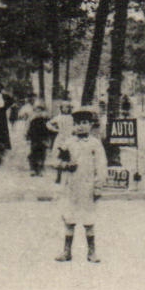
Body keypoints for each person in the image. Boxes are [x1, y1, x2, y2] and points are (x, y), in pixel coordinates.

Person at [52, 108, 107, 263]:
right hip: (71, 187)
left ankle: (92, 252)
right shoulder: (68, 143)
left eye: (84, 123)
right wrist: (66, 165)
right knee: (69, 218)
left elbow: (101, 167)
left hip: (88, 188)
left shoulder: (95, 144)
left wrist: (98, 186)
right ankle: (66, 251)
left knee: (88, 220)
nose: (81, 126)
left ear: (90, 125)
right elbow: (54, 161)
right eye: (77, 123)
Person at [26, 102, 54, 177]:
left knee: (42, 154)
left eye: (40, 111)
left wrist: (48, 136)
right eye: (37, 111)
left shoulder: (45, 120)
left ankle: (41, 169)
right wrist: (28, 136)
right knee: (33, 153)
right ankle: (33, 169)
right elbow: (29, 129)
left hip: (42, 138)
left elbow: (49, 129)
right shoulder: (32, 120)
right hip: (34, 139)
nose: (39, 113)